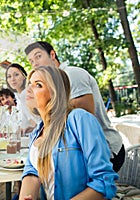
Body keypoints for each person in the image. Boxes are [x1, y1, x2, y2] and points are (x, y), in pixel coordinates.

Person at [20, 66, 118, 200]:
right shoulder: (37, 133)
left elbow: (104, 182)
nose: (28, 89)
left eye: (38, 85)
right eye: (30, 84)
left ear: (55, 92)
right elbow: (32, 173)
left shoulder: (79, 119)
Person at [24, 41, 125, 172]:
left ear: (52, 54)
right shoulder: (49, 85)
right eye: (31, 61)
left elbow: (85, 118)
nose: (35, 64)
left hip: (104, 149)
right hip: (77, 151)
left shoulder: (72, 74)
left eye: (38, 56)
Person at [5, 63, 39, 134]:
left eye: (16, 75)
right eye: (9, 76)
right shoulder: (18, 96)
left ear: (24, 76)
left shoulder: (26, 94)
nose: (13, 79)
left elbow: (33, 120)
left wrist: (34, 128)